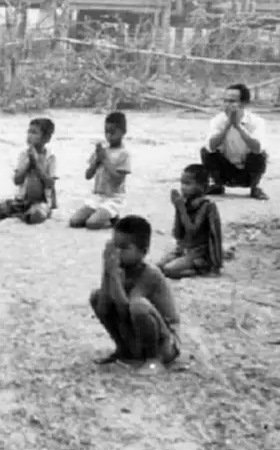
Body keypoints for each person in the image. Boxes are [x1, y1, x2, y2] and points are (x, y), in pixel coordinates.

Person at [90, 215, 181, 373]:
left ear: (143, 252)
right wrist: (107, 272)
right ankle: (124, 350)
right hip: (137, 335)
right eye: (115, 246)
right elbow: (104, 307)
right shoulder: (119, 268)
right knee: (96, 296)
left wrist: (113, 275)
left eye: (124, 248)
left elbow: (127, 310)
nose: (117, 253)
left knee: (138, 305)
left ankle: (154, 359)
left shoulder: (150, 274)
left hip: (165, 343)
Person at [201, 83, 269, 200]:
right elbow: (211, 147)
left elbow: (257, 148)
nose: (227, 105)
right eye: (225, 101)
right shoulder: (218, 121)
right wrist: (228, 126)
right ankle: (218, 184)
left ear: (244, 103)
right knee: (205, 151)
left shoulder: (257, 122)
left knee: (260, 154)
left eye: (232, 101)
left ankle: (254, 187)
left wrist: (238, 126)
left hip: (247, 171)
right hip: (226, 171)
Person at [0, 117, 57, 224]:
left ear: (46, 138)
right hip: (22, 200)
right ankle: (22, 213)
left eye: (34, 133)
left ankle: (27, 214)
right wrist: (28, 164)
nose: (29, 136)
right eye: (29, 132)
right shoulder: (24, 155)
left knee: (37, 215)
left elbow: (50, 183)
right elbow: (17, 180)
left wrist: (36, 165)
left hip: (41, 202)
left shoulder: (50, 157)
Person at [158, 164, 224, 279]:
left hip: (198, 253)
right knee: (158, 267)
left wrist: (181, 209)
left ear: (202, 186)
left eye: (187, 184)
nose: (183, 187)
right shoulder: (186, 203)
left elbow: (192, 231)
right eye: (182, 183)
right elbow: (177, 234)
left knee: (169, 270)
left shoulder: (206, 206)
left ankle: (202, 268)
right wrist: (177, 208)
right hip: (183, 249)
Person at [69, 111, 132, 230]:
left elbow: (118, 179)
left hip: (113, 198)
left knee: (92, 224)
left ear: (123, 132)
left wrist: (105, 160)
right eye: (106, 132)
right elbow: (88, 175)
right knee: (75, 221)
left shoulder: (124, 154)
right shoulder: (102, 151)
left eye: (112, 132)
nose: (108, 136)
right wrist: (97, 160)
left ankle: (112, 216)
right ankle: (101, 213)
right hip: (97, 197)